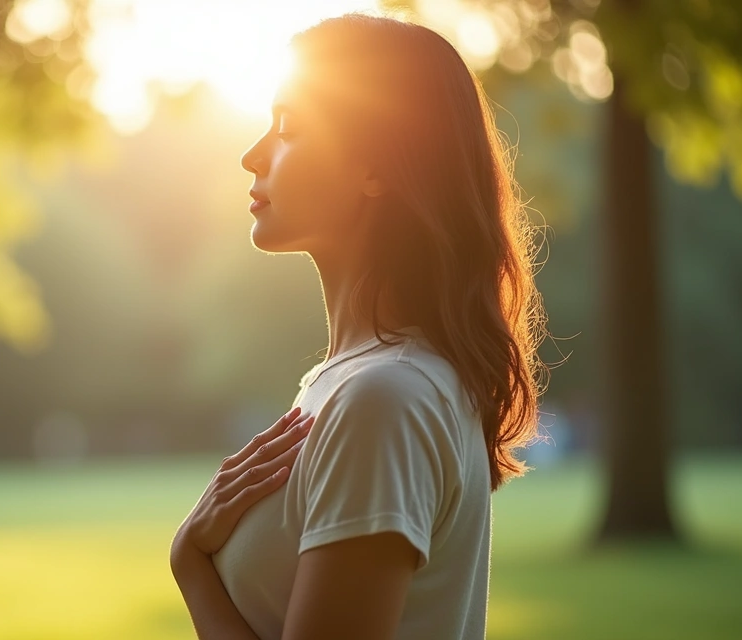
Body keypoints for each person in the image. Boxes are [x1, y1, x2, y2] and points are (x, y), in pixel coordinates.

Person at [170, 14, 546, 640]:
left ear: (377, 166)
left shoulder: (384, 397)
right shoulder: (355, 382)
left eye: (288, 127)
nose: (252, 154)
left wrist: (192, 566)